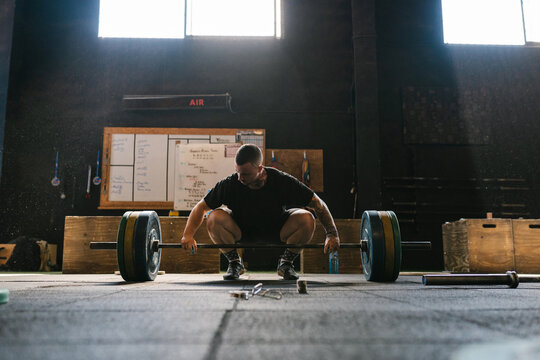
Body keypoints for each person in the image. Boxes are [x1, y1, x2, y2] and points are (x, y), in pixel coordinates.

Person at [180, 144, 340, 280]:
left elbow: (317, 203)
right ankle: (235, 262)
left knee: (307, 218)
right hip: (240, 232)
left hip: (278, 231)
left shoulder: (281, 181)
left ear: (260, 169)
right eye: (238, 172)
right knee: (213, 217)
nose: (240, 178)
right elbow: (200, 207)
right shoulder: (230, 184)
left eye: (245, 174)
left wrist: (332, 234)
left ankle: (286, 263)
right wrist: (188, 235)